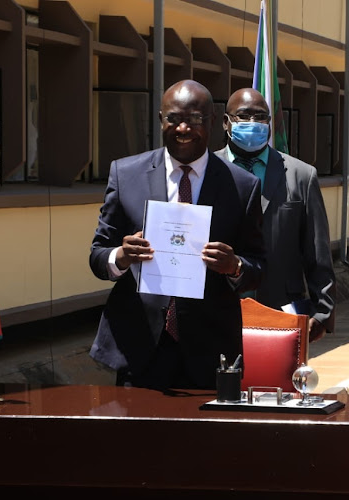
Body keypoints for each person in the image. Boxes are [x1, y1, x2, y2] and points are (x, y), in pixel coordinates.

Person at [89, 80, 265, 390]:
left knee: (204, 440)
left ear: (212, 121)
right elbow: (98, 256)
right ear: (161, 119)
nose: (183, 128)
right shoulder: (126, 174)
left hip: (210, 349)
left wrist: (234, 266)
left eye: (195, 119)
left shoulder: (241, 186)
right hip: (140, 347)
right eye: (174, 118)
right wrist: (122, 256)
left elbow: (258, 267)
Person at [215, 88, 335, 342]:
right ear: (226, 122)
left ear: (270, 124)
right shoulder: (206, 172)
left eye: (260, 117)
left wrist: (323, 312)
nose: (252, 124)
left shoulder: (301, 175)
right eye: (244, 116)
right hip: (219, 309)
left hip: (283, 309)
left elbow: (317, 252)